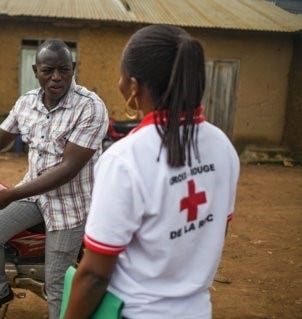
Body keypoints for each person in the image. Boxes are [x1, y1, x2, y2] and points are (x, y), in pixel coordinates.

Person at [63, 25, 240, 319]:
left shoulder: (125, 158)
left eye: (121, 75)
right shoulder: (222, 146)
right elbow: (209, 233)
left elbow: (95, 275)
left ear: (133, 86)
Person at [0, 39, 108, 319]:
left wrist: (11, 195)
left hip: (71, 204)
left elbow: (68, 168)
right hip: (33, 193)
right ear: (36, 70)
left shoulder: (90, 107)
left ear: (73, 68)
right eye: (48, 70)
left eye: (63, 70)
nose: (56, 77)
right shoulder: (27, 102)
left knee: (56, 283)